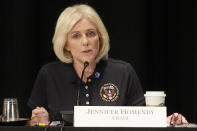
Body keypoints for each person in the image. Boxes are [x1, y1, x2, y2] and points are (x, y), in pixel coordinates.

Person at [27, 4, 188, 126]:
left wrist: (166, 121)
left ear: (100, 38)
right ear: (65, 44)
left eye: (91, 33)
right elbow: (31, 124)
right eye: (76, 36)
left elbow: (143, 121)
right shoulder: (49, 74)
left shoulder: (123, 72)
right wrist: (38, 121)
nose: (85, 42)